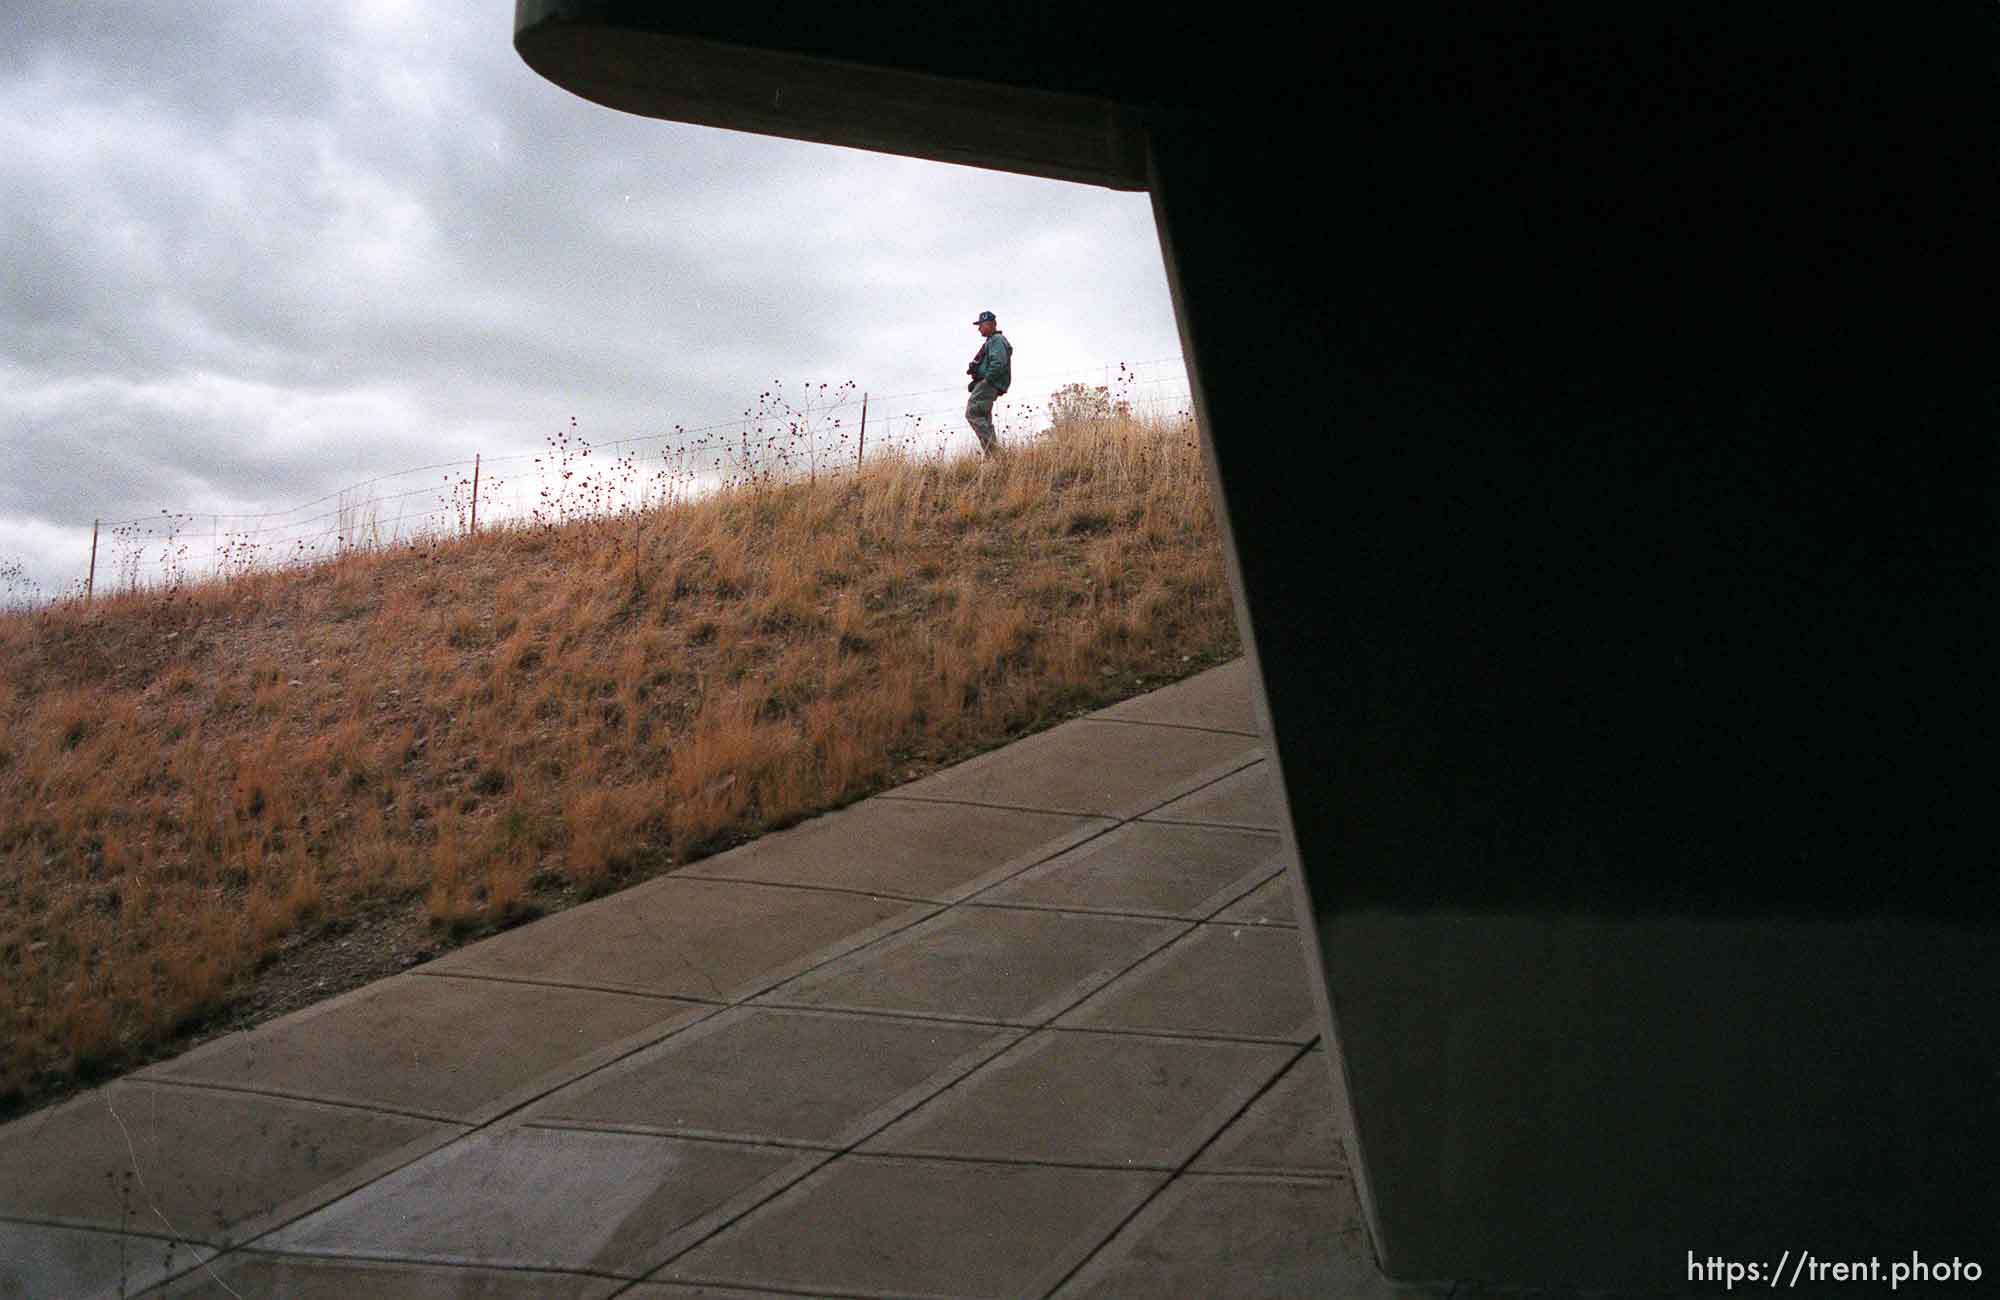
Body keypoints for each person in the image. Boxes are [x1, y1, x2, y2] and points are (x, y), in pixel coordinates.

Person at [964, 310, 1012, 455]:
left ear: (991, 324)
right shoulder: (993, 341)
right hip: (989, 382)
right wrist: (977, 379)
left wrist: (985, 380)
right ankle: (993, 457)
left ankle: (997, 452)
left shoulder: (996, 340)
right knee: (984, 418)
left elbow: (998, 363)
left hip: (990, 383)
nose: (979, 328)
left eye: (981, 325)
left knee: (972, 413)